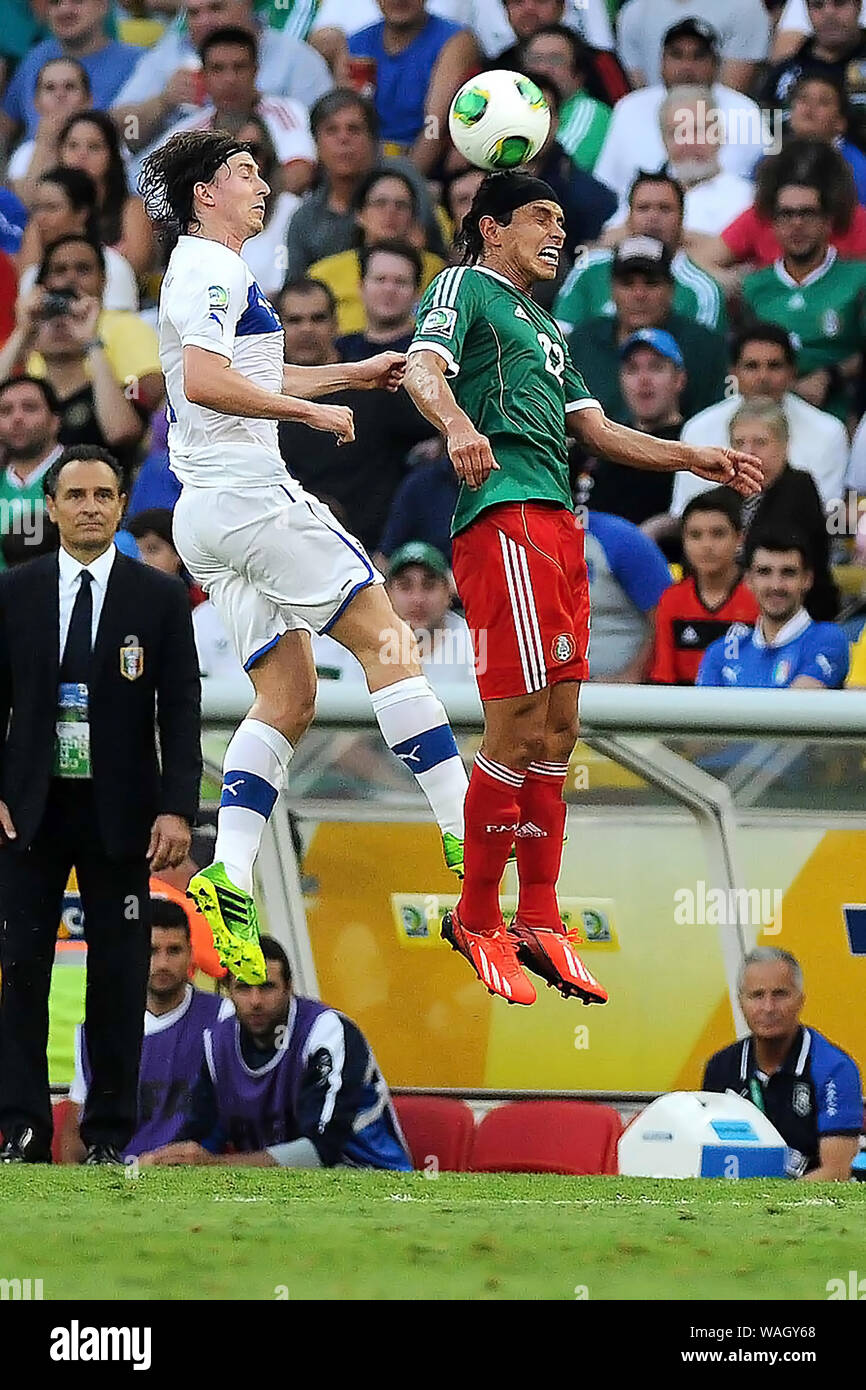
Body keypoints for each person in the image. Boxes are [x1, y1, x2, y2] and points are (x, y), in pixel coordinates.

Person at [403, 169, 762, 1006]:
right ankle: (477, 914)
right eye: (540, 217)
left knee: (561, 731)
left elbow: (595, 429)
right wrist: (457, 423)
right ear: (490, 228)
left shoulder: (546, 324)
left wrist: (690, 456)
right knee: (517, 723)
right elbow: (423, 369)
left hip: (559, 519)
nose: (558, 233)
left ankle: (539, 914)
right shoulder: (465, 285)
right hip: (506, 513)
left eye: (563, 220)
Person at [139, 130, 469, 987]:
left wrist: (350, 376)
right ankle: (465, 825)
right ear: (206, 191)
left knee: (288, 696)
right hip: (250, 496)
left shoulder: (200, 270)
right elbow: (210, 385)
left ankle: (229, 872)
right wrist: (312, 417)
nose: (262, 185)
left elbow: (237, 374)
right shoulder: (210, 265)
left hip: (205, 516)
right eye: (246, 174)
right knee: (387, 639)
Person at [0, 445, 201, 1165]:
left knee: (118, 977)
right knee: (20, 970)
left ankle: (108, 1138)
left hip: (124, 814)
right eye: (76, 494)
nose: (90, 506)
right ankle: (20, 1130)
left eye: (104, 494)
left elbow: (180, 710)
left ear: (120, 506)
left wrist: (178, 809)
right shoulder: (14, 592)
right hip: (30, 810)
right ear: (51, 507)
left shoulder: (158, 596)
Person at [138, 935, 412, 1170]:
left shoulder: (326, 1031)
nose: (255, 1001)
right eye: (244, 988)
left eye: (267, 987)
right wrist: (167, 1160)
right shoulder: (217, 1042)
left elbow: (322, 1149)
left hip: (366, 1174)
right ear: (229, 992)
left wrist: (214, 1165)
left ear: (289, 988)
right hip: (279, 1191)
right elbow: (202, 1134)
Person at [62, 896, 232, 1162]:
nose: (162, 963)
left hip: (190, 1177)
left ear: (190, 953)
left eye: (174, 950)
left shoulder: (223, 1017)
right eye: (151, 950)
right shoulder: (97, 1029)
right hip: (116, 1180)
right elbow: (74, 1130)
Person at [277, 276, 437, 550]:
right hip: (289, 545)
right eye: (294, 320)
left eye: (318, 318)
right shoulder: (259, 396)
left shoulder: (371, 383)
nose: (307, 329)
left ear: (336, 323)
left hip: (371, 551)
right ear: (277, 327)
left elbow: (435, 425)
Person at [703, 947, 862, 1180]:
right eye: (757, 995)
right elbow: (705, 1150)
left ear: (800, 999)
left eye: (780, 994)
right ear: (740, 1003)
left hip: (810, 1210)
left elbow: (836, 1172)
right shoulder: (720, 1067)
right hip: (734, 1204)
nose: (768, 1007)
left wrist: (766, 1207)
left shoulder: (834, 1069)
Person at [673, 322, 850, 517]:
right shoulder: (699, 428)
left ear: (793, 372)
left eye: (774, 366)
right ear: (733, 372)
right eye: (751, 366)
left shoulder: (829, 431)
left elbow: (826, 515)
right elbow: (685, 512)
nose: (763, 376)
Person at [111, 0, 332, 155]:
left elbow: (327, 132)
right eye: (194, 13)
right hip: (161, 194)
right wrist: (162, 103)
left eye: (216, 8)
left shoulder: (296, 59)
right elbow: (123, 130)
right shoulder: (167, 55)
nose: (204, 21)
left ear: (247, 5)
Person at [282, 88, 444, 284]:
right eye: (331, 130)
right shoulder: (304, 220)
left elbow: (434, 248)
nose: (343, 139)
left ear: (374, 140)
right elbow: (296, 292)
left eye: (354, 129)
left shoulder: (403, 179)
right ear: (316, 143)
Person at [594, 18, 766, 201]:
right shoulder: (629, 108)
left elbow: (764, 180)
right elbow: (607, 183)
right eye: (677, 55)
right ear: (661, 62)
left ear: (716, 63)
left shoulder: (745, 109)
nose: (687, 67)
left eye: (698, 56)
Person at [132, 27, 316, 196]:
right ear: (203, 76)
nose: (230, 79)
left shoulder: (286, 111)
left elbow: (299, 175)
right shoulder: (187, 132)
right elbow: (150, 194)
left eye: (239, 67)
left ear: (255, 71)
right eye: (218, 69)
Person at [742, 175, 866, 420]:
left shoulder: (859, 278)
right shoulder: (754, 286)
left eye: (807, 213)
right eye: (786, 215)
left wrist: (832, 376)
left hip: (844, 411)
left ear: (827, 221)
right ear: (773, 225)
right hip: (768, 414)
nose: (797, 224)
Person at [566, 236, 727, 424]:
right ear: (612, 290)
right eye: (627, 284)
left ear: (671, 289)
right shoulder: (583, 342)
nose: (639, 295)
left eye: (651, 283)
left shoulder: (705, 347)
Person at [555, 170, 726, 336]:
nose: (653, 217)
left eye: (664, 209)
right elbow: (562, 334)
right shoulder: (590, 268)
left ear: (682, 218)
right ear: (628, 217)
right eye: (643, 208)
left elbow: (704, 354)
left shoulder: (703, 291)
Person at [726, 397, 839, 620]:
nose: (749, 452)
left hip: (798, 615)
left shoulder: (799, 487)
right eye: (739, 443)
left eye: (760, 442)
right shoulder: (724, 495)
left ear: (784, 444)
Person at [314, 539, 477, 690]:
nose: (417, 599)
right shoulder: (365, 639)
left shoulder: (473, 644)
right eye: (405, 587)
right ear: (387, 594)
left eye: (429, 586)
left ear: (448, 593)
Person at [697, 530, 849, 688]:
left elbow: (798, 708)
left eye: (788, 573)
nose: (776, 585)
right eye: (764, 572)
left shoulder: (828, 638)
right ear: (748, 580)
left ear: (806, 579)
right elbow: (699, 711)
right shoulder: (721, 651)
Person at [604, 84, 755, 238]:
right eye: (678, 133)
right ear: (664, 140)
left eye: (698, 131)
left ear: (719, 135)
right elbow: (610, 237)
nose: (688, 142)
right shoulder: (646, 191)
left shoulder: (745, 198)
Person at [347, 0, 479, 173]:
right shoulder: (356, 43)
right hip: (368, 166)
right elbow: (349, 121)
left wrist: (409, 181)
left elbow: (434, 124)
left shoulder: (453, 40)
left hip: (427, 166)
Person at [309, 168, 445, 335]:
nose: (390, 212)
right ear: (360, 214)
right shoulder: (324, 273)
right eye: (380, 203)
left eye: (401, 205)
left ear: (413, 217)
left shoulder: (437, 271)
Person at [575, 327, 686, 531]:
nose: (644, 380)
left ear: (679, 379)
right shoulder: (599, 441)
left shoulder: (691, 442)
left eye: (655, 367)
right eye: (632, 369)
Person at [649, 489, 759, 684]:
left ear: (739, 538)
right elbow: (663, 676)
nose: (706, 545)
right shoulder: (672, 600)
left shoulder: (758, 598)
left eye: (718, 534)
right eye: (695, 535)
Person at [0, 0, 143, 146]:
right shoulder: (36, 57)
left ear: (103, 5)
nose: (65, 9)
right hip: (32, 163)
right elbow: (5, 124)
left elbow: (138, 133)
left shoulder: (138, 63)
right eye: (55, 2)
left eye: (77, 1)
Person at [16, 166, 139, 312]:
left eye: (52, 208)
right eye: (37, 208)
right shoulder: (32, 275)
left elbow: (123, 328)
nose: (40, 218)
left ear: (82, 212)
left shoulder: (114, 266)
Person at [56, 110, 154, 277]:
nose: (81, 155)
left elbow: (137, 268)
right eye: (73, 146)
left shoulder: (132, 208)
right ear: (60, 153)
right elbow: (30, 273)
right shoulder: (47, 210)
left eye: (94, 147)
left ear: (112, 156)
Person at [583, 509, 672, 681]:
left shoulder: (621, 539)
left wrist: (632, 675)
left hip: (616, 686)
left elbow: (664, 616)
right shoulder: (526, 542)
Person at [615, 0, 771, 93]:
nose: (686, 66)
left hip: (722, 125)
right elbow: (641, 88)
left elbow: (731, 91)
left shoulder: (745, 7)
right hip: (653, 122)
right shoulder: (633, 12)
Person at [517, 24, 610, 174]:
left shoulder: (590, 111)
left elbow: (556, 165)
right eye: (535, 60)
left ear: (578, 74)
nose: (543, 68)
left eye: (555, 60)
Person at [761, 0, 866, 123]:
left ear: (858, 6)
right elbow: (769, 132)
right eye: (817, 5)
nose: (829, 13)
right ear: (807, 11)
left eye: (839, 3)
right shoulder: (783, 75)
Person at [7, 56, 92, 202]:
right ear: (36, 102)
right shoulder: (25, 153)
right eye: (50, 88)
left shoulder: (109, 144)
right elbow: (24, 208)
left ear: (88, 100)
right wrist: (45, 144)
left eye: (70, 87)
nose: (60, 95)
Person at [0, 375, 63, 570]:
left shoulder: (83, 477)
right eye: (5, 411)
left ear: (55, 421)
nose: (17, 418)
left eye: (29, 407)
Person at [234, 115, 299, 297]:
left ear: (266, 156)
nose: (245, 160)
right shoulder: (203, 217)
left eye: (252, 150)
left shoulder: (291, 209)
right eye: (233, 151)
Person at [788, 73, 866, 204]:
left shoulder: (853, 167)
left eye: (823, 102)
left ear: (840, 122)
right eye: (802, 98)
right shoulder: (772, 156)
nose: (809, 107)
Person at [337, 240, 423, 359]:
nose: (389, 289)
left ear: (417, 292)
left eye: (400, 282)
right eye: (380, 279)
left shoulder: (426, 351)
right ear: (361, 286)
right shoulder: (337, 352)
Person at [127, 507, 208, 608]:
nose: (143, 559)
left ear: (178, 552)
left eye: (153, 549)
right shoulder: (130, 602)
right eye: (137, 551)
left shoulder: (202, 601)